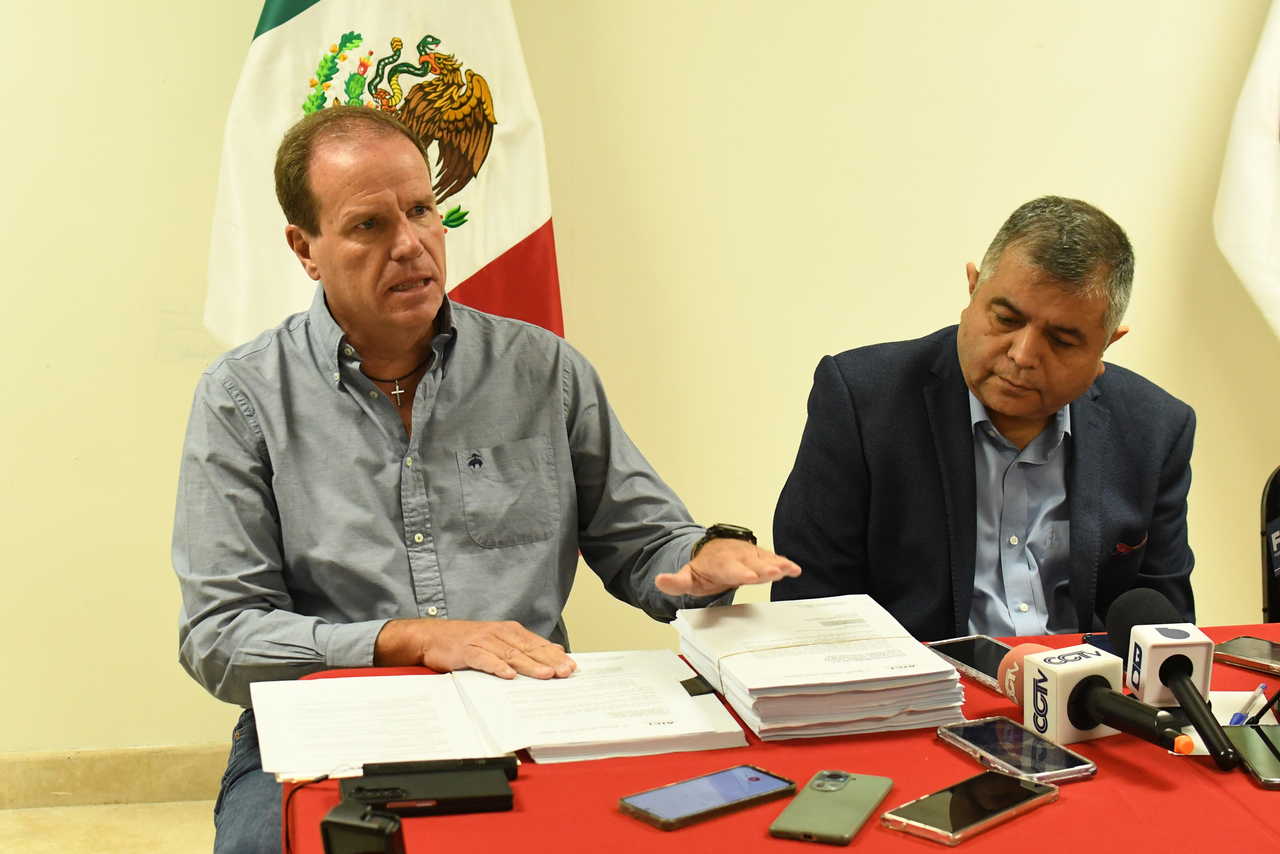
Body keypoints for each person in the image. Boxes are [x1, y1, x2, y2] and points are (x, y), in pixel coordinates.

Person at [174, 106, 800, 854]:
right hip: (335, 719)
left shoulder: (542, 369)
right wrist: (409, 640)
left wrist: (698, 561)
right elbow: (220, 636)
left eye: (421, 210)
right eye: (369, 225)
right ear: (305, 249)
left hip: (529, 712)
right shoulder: (242, 398)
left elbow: (644, 543)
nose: (410, 245)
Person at [771, 196, 1194, 642]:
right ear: (973, 288)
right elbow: (812, 607)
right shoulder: (861, 401)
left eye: (1062, 341)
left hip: (1088, 682)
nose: (1022, 355)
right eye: (1006, 319)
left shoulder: (1156, 428)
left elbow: (1167, 633)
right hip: (923, 681)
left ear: (1106, 345)